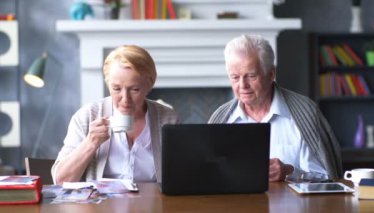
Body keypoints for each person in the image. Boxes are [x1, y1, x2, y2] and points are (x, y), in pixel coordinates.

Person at [208, 34, 342, 182]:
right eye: (235, 77)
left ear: (271, 73)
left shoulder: (306, 113)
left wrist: (290, 172)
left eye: (251, 76)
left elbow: (328, 179)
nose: (242, 86)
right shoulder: (221, 118)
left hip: (294, 205)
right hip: (236, 205)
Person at [52, 45, 178, 185]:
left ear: (149, 85)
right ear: (108, 84)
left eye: (135, 89)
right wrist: (91, 142)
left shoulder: (168, 119)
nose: (125, 99)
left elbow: (184, 177)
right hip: (100, 206)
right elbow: (61, 180)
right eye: (116, 88)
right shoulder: (87, 116)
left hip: (153, 205)